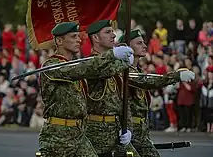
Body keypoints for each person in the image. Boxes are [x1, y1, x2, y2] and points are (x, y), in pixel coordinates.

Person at [39, 22, 134, 157]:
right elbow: (79, 70)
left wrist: (123, 62)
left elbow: (99, 70)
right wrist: (112, 55)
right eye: (73, 37)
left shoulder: (78, 64)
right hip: (58, 135)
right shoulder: (51, 65)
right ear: (59, 41)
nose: (78, 40)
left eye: (78, 36)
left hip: (79, 134)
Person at [118, 29, 195, 157]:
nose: (144, 46)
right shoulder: (124, 70)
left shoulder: (138, 70)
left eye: (143, 42)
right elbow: (147, 81)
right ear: (127, 46)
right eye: (139, 43)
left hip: (141, 131)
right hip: (128, 132)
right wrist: (175, 76)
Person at [85, 20, 139, 157]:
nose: (114, 35)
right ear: (95, 38)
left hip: (116, 131)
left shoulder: (115, 65)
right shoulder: (89, 64)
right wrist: (123, 62)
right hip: (95, 134)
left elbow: (122, 100)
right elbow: (101, 70)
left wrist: (128, 128)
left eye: (112, 31)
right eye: (107, 32)